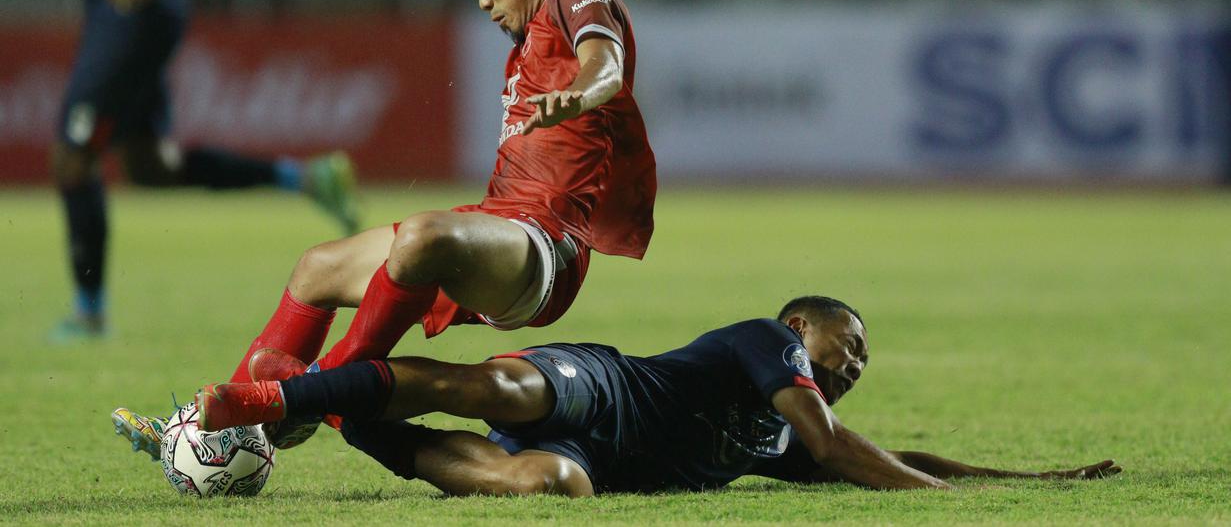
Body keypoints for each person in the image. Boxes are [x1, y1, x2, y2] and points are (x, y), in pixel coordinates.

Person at [111, 0, 656, 455]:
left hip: (542, 249)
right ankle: (209, 437)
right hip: (492, 229)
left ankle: (314, 395)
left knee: (423, 235)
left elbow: (604, 64)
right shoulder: (530, 29)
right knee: (317, 268)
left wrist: (579, 97)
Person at [0, 0, 360, 342]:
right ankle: (304, 178)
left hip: (135, 14)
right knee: (150, 165)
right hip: (110, 13)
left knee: (72, 157)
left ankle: (89, 314)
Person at [186, 295, 1121, 495]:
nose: (859, 359)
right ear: (801, 330)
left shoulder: (774, 443)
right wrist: (944, 506)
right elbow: (840, 445)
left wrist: (1028, 477)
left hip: (599, 458)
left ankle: (345, 416)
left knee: (551, 486)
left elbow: (872, 454)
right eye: (853, 341)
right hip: (604, 388)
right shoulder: (765, 348)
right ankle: (276, 401)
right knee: (499, 388)